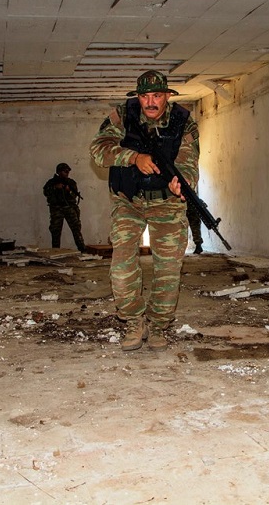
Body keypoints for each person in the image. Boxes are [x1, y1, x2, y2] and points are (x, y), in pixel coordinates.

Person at [89, 70, 199, 351]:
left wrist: (182, 183)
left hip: (167, 203)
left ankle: (159, 325)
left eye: (157, 96)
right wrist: (133, 157)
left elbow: (188, 162)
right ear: (138, 97)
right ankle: (133, 321)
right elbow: (99, 150)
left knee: (168, 269)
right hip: (129, 200)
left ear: (167, 96)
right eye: (145, 96)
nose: (150, 102)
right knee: (122, 266)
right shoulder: (122, 116)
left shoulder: (183, 122)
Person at [43, 162, 85, 252]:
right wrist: (55, 187)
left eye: (67, 171)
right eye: (65, 171)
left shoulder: (71, 182)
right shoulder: (51, 182)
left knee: (76, 229)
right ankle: (55, 251)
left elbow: (74, 195)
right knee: (56, 231)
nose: (67, 173)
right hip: (57, 209)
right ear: (59, 172)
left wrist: (69, 191)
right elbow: (46, 192)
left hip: (69, 207)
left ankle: (82, 250)